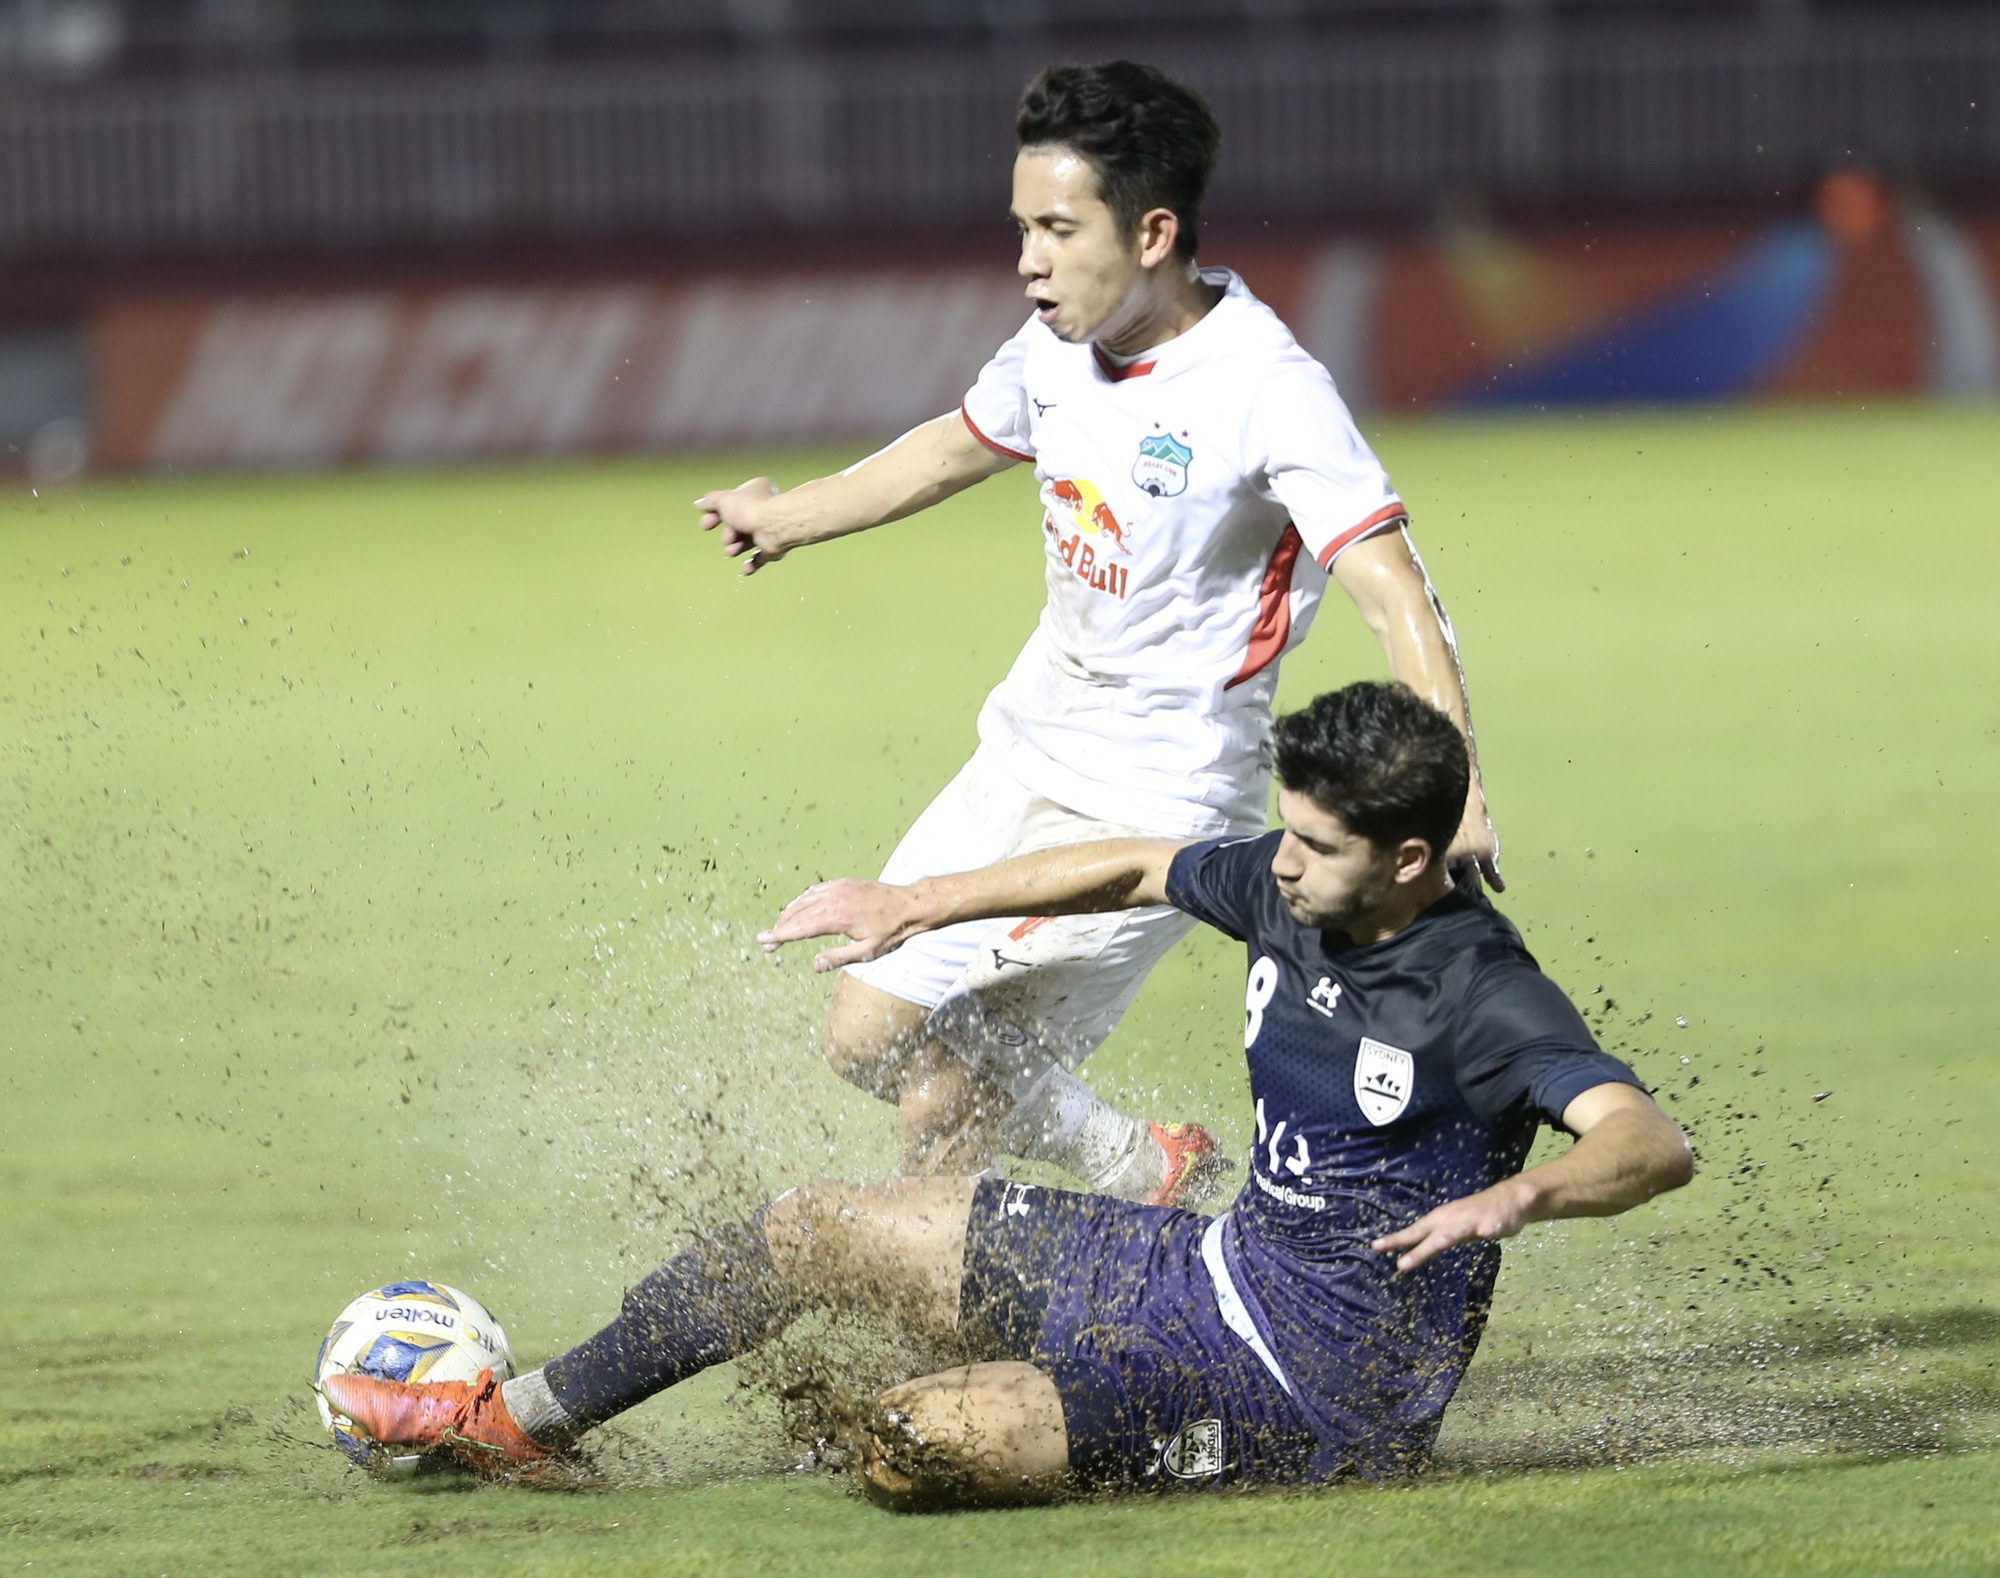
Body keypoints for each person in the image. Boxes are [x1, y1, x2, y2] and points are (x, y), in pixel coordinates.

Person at [323, 684, 1689, 1501]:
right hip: (1204, 1267)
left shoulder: (1482, 988)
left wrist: (1522, 1192)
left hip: (1318, 1396)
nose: (1281, 861)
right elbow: (1129, 865)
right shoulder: (1296, 887)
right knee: (810, 1227)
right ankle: (518, 1423)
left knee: (908, 1443)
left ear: (1407, 859)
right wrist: (916, 901)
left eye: (1319, 845)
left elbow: (1648, 1140)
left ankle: (1039, 1404)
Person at [691, 61, 1502, 1207]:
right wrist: (788, 517)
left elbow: (1392, 592)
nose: (1027, 257)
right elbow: (947, 448)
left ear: (1153, 230)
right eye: (1021, 226)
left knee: (947, 1101)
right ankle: (1130, 1164)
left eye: (1057, 229)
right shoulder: (1052, 347)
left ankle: (957, 1353)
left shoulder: (1266, 389)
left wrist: (1451, 792)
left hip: (1160, 796)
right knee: (864, 1033)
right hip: (1025, 746)